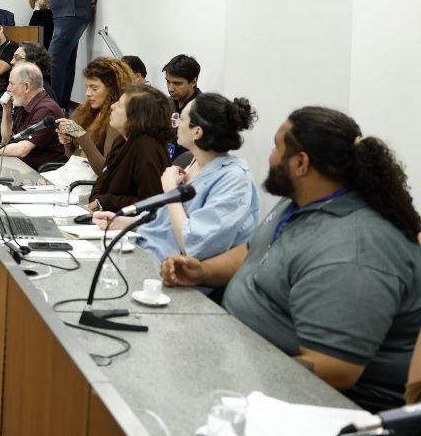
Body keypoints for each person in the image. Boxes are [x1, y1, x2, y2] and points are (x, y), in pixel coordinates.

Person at [162, 107, 421, 413]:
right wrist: (203, 271)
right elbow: (255, 251)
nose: (270, 157)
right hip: (241, 354)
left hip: (319, 406)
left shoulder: (353, 248)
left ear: (301, 163)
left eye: (276, 147)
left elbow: (334, 369)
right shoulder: (301, 202)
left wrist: (232, 371)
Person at [93, 93, 260, 268]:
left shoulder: (234, 180)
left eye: (180, 119)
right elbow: (165, 220)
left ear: (197, 131)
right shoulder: (195, 163)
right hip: (145, 249)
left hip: (169, 270)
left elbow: (194, 245)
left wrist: (171, 191)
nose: (176, 125)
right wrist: (124, 222)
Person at [82, 84, 173, 212]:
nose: (112, 106)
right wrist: (98, 200)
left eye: (119, 105)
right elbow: (103, 179)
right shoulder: (122, 140)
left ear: (135, 116)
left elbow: (151, 202)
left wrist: (104, 201)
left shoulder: (147, 149)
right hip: (106, 216)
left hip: (130, 225)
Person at [55, 57, 137, 175]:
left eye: (94, 88)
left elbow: (105, 171)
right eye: (87, 87)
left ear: (112, 89)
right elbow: (74, 159)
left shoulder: (116, 120)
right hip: (76, 177)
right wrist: (67, 142)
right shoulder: (88, 111)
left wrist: (81, 135)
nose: (87, 93)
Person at [163, 54, 201, 160]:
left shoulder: (203, 111)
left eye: (177, 83)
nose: (170, 88)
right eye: (168, 81)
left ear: (193, 82)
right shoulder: (165, 104)